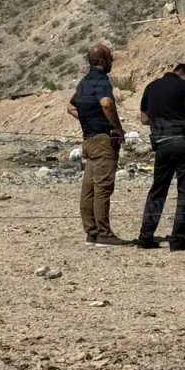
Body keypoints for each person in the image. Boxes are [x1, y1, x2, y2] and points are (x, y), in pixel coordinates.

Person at [135, 63, 185, 251]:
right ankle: (178, 238)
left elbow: (144, 119)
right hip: (184, 142)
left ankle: (145, 236)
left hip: (162, 143)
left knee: (158, 190)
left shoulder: (151, 86)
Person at [68, 44, 128, 247]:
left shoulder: (84, 82)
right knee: (103, 188)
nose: (112, 61)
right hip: (103, 139)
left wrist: (87, 119)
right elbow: (106, 104)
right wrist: (117, 128)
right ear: (103, 62)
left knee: (89, 189)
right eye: (110, 58)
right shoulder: (102, 80)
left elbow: (70, 107)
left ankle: (91, 232)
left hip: (88, 139)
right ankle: (104, 233)